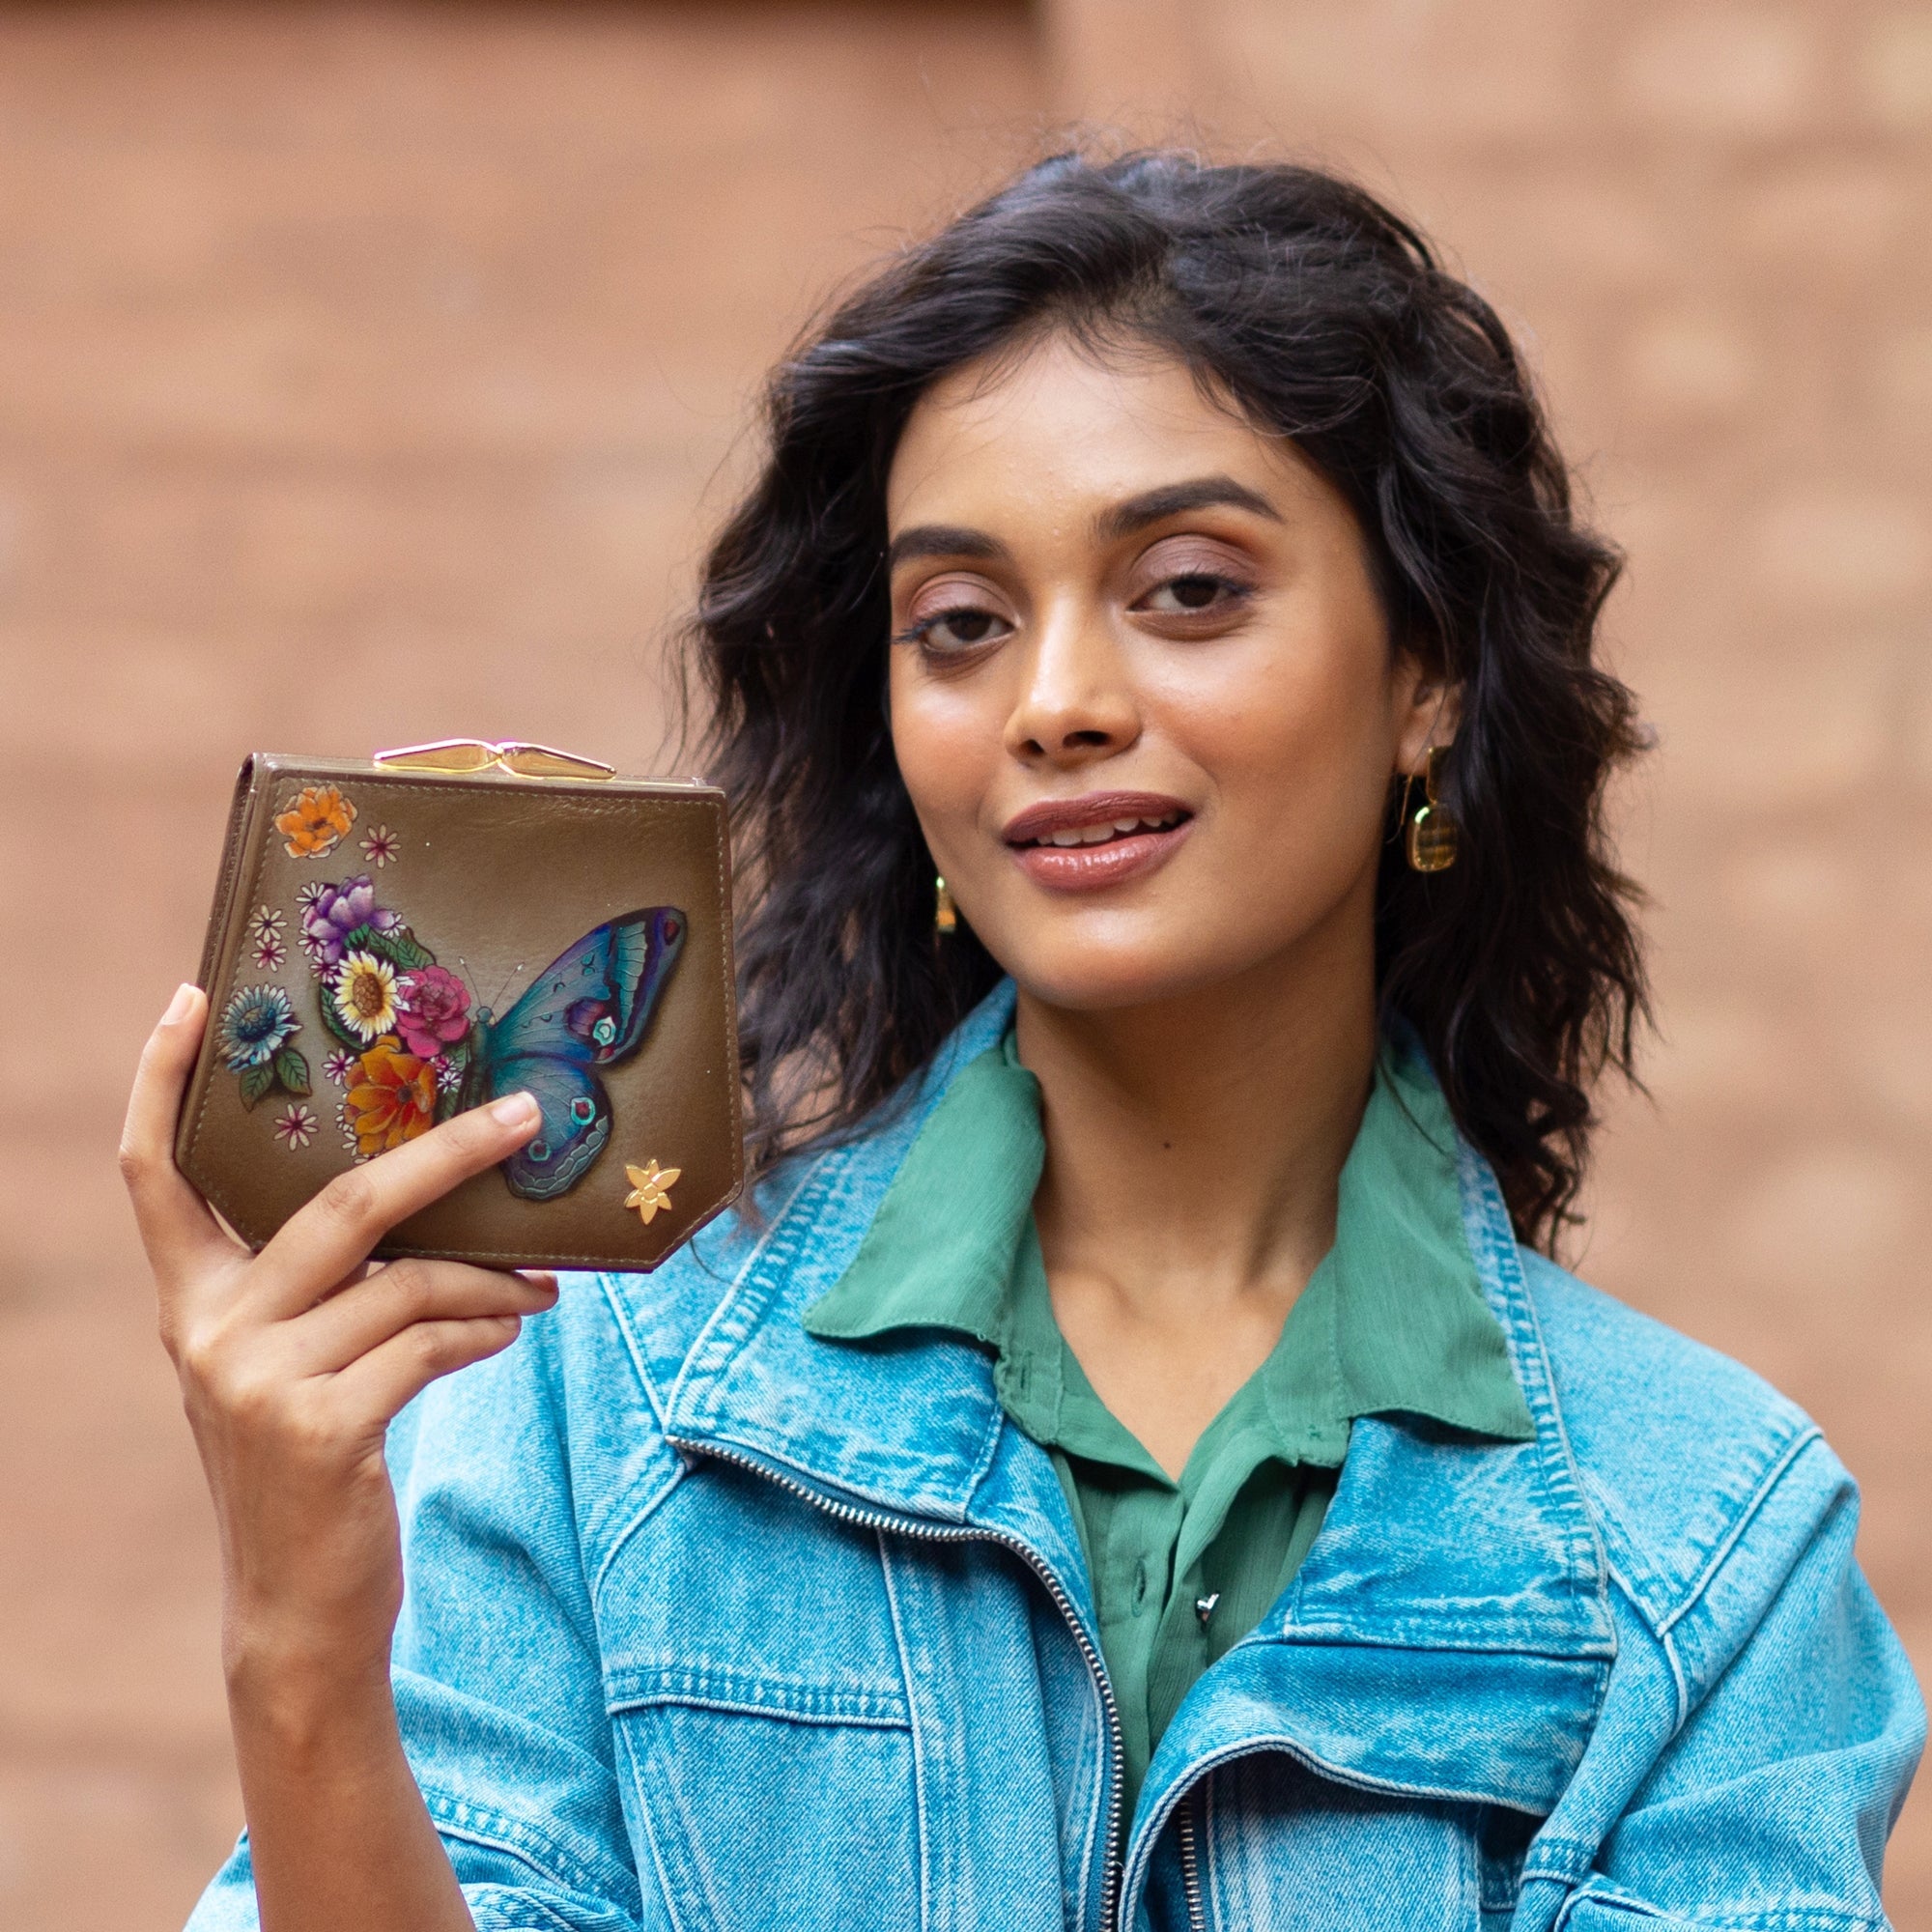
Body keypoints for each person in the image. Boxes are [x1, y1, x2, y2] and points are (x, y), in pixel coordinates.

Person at [122, 153, 1922, 1932]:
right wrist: (298, 1642)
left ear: (1426, 674)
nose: (1055, 704)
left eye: (1191, 590)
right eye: (961, 626)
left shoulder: (1705, 1549)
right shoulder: (587, 1411)